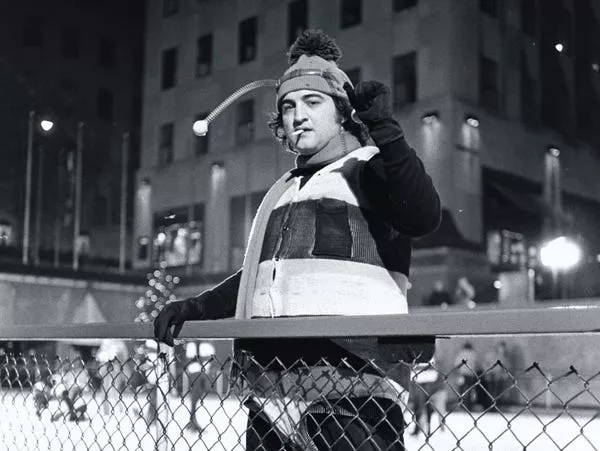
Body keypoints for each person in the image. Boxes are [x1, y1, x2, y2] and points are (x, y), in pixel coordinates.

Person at [154, 29, 441, 450]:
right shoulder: (285, 189)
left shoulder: (369, 168)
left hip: (352, 388)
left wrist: (385, 129)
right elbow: (262, 278)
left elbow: (423, 213)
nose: (297, 116)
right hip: (272, 393)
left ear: (342, 112)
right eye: (288, 106)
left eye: (312, 102)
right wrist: (197, 306)